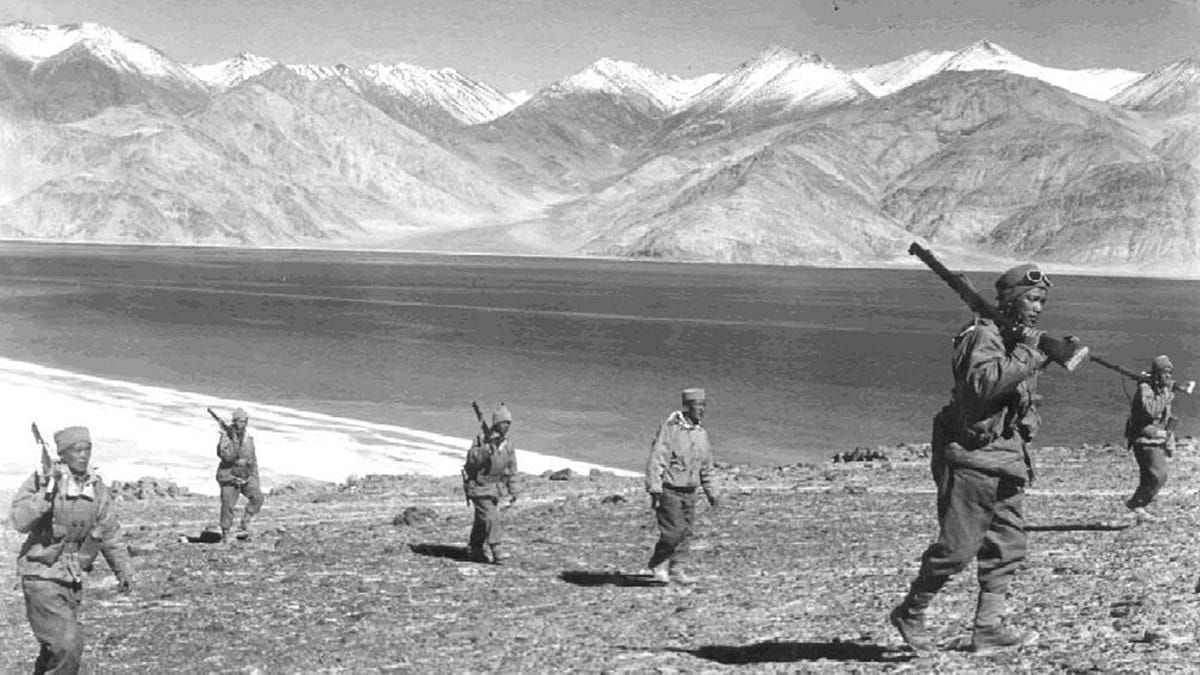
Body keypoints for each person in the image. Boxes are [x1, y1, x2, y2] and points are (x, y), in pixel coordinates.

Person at [891, 264, 1057, 654]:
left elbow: (1016, 392)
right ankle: (911, 612)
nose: (1038, 308)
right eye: (1032, 299)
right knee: (957, 549)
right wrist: (1030, 353)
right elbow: (981, 387)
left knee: (1008, 546)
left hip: (1007, 459)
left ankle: (988, 628)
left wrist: (1042, 354)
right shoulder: (982, 335)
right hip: (973, 459)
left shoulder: (1015, 340)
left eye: (1042, 301)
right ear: (1011, 299)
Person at [10, 425, 134, 674]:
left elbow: (109, 531)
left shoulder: (95, 487)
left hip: (72, 578)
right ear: (63, 454)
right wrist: (46, 493)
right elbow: (20, 520)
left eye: (87, 449)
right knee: (68, 645)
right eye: (76, 450)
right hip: (41, 576)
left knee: (54, 651)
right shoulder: (43, 479)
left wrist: (124, 571)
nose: (83, 455)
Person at [644, 387, 719, 585]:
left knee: (686, 533)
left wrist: (713, 493)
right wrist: (655, 487)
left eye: (704, 405)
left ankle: (677, 568)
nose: (702, 409)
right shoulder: (671, 428)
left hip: (690, 491)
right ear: (687, 406)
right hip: (670, 490)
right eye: (698, 405)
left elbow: (707, 466)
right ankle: (658, 562)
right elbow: (658, 458)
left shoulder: (701, 434)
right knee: (673, 532)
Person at [462, 403, 519, 564]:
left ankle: (475, 548)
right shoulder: (481, 441)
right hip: (479, 487)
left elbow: (510, 469)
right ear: (497, 423)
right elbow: (471, 463)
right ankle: (496, 549)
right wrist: (487, 449)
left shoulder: (507, 445)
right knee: (491, 517)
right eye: (504, 423)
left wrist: (514, 490)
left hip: (494, 489)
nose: (507, 426)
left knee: (482, 520)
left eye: (509, 423)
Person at [1124, 355, 1176, 522]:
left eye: (1170, 373)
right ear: (1157, 373)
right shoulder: (1145, 389)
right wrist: (1167, 395)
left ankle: (1139, 509)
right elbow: (1151, 411)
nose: (1168, 376)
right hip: (1144, 440)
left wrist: (1170, 441)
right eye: (1165, 372)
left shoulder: (1163, 390)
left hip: (1157, 440)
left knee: (1155, 476)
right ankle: (1136, 505)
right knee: (1157, 475)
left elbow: (1167, 418)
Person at [216, 407, 264, 542]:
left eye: (244, 421)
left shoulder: (248, 438)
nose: (242, 424)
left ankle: (246, 522)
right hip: (229, 477)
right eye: (239, 421)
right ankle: (226, 532)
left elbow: (252, 459)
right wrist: (232, 440)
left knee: (258, 497)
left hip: (245, 477)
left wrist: (255, 478)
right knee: (228, 505)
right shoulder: (226, 436)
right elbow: (226, 457)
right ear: (235, 421)